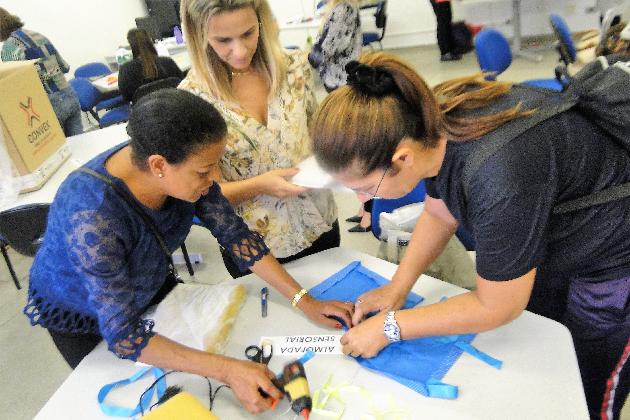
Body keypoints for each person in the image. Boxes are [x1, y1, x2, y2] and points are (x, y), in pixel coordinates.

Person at [310, 52, 629, 419]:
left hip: (615, 260)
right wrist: (398, 286)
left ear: (401, 159)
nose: (362, 200)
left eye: (365, 186)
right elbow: (438, 209)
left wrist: (391, 327)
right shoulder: (427, 121)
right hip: (562, 233)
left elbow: (498, 305)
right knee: (543, 340)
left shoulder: (500, 177)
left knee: (589, 381)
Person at [23, 89, 353, 414]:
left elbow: (236, 236)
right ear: (158, 166)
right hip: (83, 315)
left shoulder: (180, 162)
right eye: (204, 171)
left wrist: (304, 300)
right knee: (138, 398)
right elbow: (124, 336)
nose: (214, 179)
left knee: (185, 384)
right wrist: (228, 370)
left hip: (147, 287)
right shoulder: (92, 214)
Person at [179, 0, 340, 279]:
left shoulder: (295, 68)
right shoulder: (192, 99)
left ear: (261, 21)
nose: (240, 51)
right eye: (223, 40)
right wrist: (261, 185)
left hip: (318, 222)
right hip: (254, 245)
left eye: (248, 34)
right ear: (199, 35)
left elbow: (321, 139)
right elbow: (205, 193)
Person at [0, 7, 82, 137]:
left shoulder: (9, 48)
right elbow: (64, 67)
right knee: (81, 144)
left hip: (49, 104)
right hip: (68, 95)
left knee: (62, 153)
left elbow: (17, 87)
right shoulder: (37, 35)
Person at [118, 28, 185, 102]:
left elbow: (126, 97)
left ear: (130, 46)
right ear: (150, 41)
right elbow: (182, 84)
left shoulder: (125, 70)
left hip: (144, 112)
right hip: (175, 106)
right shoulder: (168, 62)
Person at [309, 0, 362, 92]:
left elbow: (325, 52)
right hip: (346, 71)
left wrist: (308, 57)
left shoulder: (342, 9)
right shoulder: (348, 5)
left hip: (339, 77)